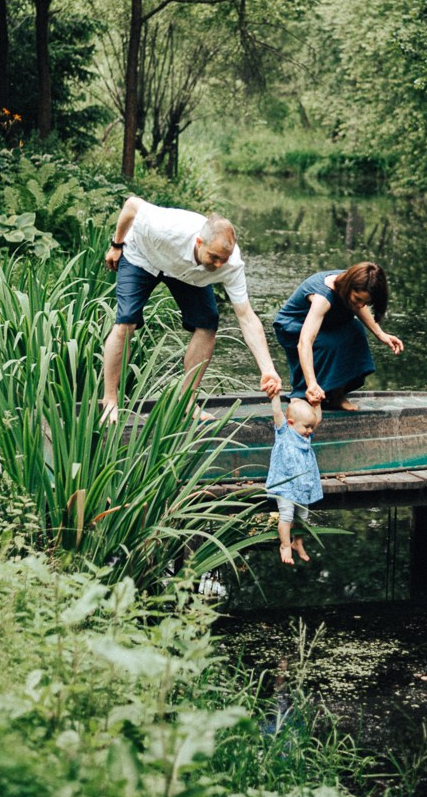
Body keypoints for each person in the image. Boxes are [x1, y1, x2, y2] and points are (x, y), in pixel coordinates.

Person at [102, 197, 281, 421]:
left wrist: (268, 368)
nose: (219, 265)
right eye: (214, 257)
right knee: (126, 321)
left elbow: (246, 317)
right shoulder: (166, 227)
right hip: (142, 257)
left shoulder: (231, 264)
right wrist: (116, 245)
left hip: (186, 273)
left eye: (223, 259)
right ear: (199, 242)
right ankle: (110, 400)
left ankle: (187, 401)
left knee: (207, 323)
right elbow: (131, 205)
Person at [273, 261, 404, 410]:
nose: (361, 305)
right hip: (293, 326)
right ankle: (302, 395)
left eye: (366, 302)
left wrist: (381, 334)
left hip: (326, 322)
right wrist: (311, 383)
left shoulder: (353, 285)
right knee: (328, 343)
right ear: (348, 288)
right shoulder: (322, 298)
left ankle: (336, 395)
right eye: (358, 299)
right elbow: (305, 342)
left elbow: (359, 306)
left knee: (355, 330)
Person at [265, 392, 322, 564]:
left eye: (311, 427)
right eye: (307, 427)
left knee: (303, 517)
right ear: (291, 423)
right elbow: (277, 412)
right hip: (285, 487)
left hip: (303, 486)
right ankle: (285, 545)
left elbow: (316, 420)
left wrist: (317, 404)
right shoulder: (285, 432)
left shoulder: (306, 436)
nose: (310, 430)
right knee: (287, 516)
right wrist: (275, 395)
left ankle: (297, 542)